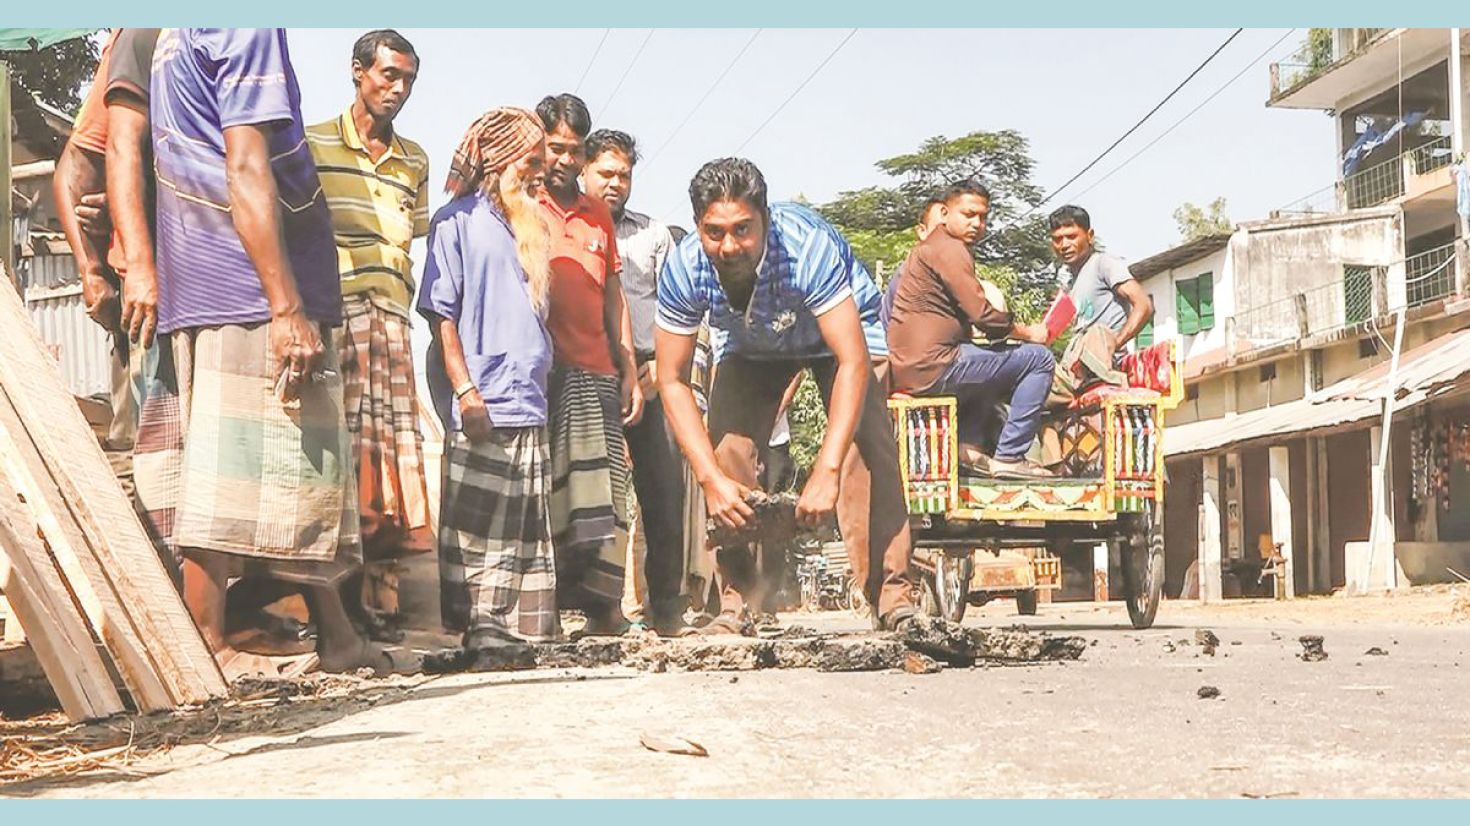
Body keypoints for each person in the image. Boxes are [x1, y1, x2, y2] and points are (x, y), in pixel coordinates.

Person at [149, 27, 387, 677]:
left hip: (213, 271)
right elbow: (247, 163)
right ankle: (208, 646)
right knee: (232, 473)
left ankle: (338, 636)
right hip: (246, 280)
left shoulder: (180, 28)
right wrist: (284, 305)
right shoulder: (241, 22)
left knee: (300, 470)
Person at [655, 157, 919, 633]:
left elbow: (853, 361)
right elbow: (671, 379)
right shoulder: (685, 267)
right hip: (752, 343)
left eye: (743, 230)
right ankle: (739, 600)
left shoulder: (805, 249)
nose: (729, 246)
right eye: (715, 232)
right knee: (726, 452)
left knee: (866, 446)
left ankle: (893, 597)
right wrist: (710, 478)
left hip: (839, 337)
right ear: (697, 227)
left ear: (766, 221)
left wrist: (827, 470)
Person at [418, 107, 560, 648]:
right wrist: (465, 389)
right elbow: (440, 315)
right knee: (480, 530)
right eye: (529, 160)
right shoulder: (455, 222)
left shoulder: (531, 224)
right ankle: (482, 630)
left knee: (524, 526)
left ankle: (521, 633)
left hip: (529, 397)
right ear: (500, 160)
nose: (538, 171)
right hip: (483, 398)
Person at [307, 29, 432, 630]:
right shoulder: (310, 144)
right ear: (357, 72)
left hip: (394, 325)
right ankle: (330, 608)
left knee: (387, 472)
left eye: (407, 79)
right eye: (388, 75)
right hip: (339, 320)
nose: (398, 89)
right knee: (337, 461)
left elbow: (418, 236)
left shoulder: (415, 160)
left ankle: (377, 608)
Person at [535, 94, 641, 635]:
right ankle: (546, 613)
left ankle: (606, 611)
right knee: (549, 494)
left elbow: (614, 296)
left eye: (574, 150)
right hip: (540, 375)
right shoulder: (520, 205)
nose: (565, 160)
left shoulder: (598, 214)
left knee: (604, 499)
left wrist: (626, 367)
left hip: (596, 370)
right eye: (556, 147)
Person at [580, 128, 690, 636]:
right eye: (606, 173)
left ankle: (666, 609)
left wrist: (665, 369)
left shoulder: (655, 235)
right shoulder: (570, 226)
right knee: (593, 497)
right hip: (587, 370)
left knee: (663, 492)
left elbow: (683, 308)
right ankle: (599, 612)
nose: (615, 183)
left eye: (624, 175)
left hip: (652, 370)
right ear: (584, 170)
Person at [887, 180, 1056, 479]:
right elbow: (984, 316)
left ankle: (969, 446)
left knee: (989, 365)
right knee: (1038, 359)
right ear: (944, 212)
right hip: (934, 365)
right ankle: (1010, 456)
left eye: (983, 217)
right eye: (968, 214)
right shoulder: (950, 249)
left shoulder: (928, 248)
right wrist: (1029, 333)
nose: (977, 224)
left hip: (912, 367)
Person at [1037, 205, 1154, 405]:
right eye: (1058, 239)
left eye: (1071, 236)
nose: (1064, 244)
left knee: (1095, 334)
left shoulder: (1103, 264)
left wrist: (1115, 343)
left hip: (1102, 361)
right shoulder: (1069, 286)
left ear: (1089, 236)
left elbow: (1144, 305)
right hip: (1076, 365)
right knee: (1029, 386)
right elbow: (1047, 334)